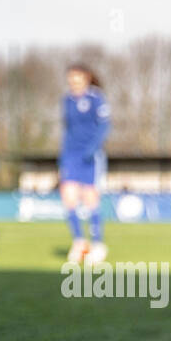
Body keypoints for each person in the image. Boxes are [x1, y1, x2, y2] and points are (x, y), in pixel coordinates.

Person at [60, 63, 111, 263]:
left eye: (77, 78)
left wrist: (94, 147)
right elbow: (67, 129)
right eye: (70, 78)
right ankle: (79, 242)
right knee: (69, 199)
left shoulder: (96, 98)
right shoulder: (66, 100)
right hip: (70, 155)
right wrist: (63, 156)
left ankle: (98, 244)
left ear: (87, 78)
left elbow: (105, 125)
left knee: (90, 199)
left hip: (90, 156)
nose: (73, 82)